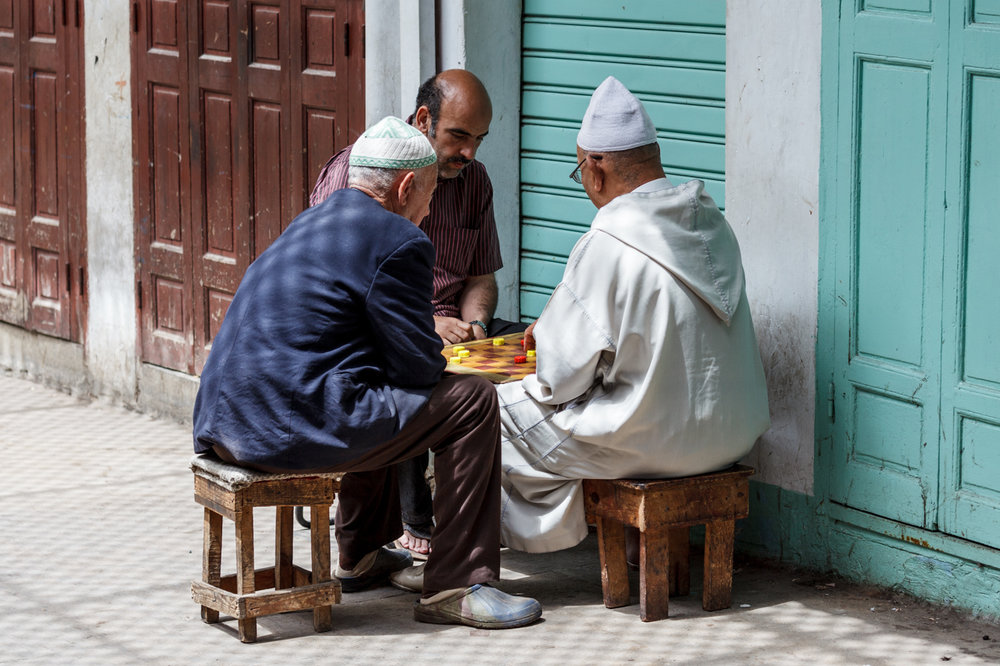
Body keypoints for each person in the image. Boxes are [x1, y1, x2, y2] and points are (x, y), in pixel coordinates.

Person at [192, 116, 541, 629]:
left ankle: (361, 553)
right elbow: (418, 367)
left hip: (225, 424)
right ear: (404, 187)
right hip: (284, 430)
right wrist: (468, 362)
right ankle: (458, 583)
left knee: (373, 386)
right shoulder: (399, 239)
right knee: (470, 400)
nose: (427, 211)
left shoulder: (309, 222)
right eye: (428, 198)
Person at [496, 77, 771, 553]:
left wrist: (549, 346)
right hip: (732, 433)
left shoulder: (608, 242)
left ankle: (458, 555)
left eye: (579, 169)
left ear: (595, 167)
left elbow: (559, 380)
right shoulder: (715, 226)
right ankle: (627, 545)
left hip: (652, 443)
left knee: (484, 412)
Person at [310, 69, 525, 559]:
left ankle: (518, 515)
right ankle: (419, 527)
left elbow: (481, 279)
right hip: (383, 331)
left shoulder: (474, 181)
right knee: (412, 374)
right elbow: (345, 295)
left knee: (535, 352)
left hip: (452, 328)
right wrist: (426, 326)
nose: (470, 153)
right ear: (424, 120)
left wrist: (476, 328)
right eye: (459, 136)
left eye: (479, 140)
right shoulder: (359, 174)